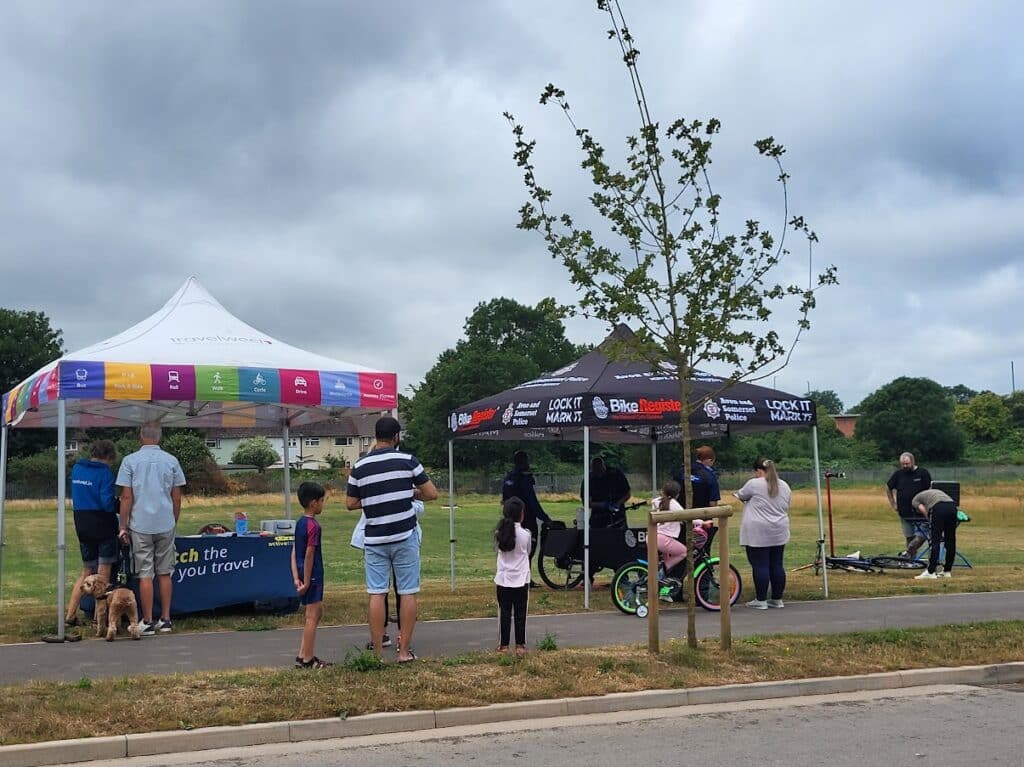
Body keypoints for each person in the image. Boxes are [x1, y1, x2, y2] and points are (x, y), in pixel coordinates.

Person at [347, 416, 438, 662]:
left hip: (375, 538)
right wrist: (409, 492)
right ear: (396, 437)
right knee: (407, 592)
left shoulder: (360, 465)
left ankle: (377, 653)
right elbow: (432, 494)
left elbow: (350, 503)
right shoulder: (408, 461)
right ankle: (405, 652)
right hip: (404, 535)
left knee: (376, 593)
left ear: (376, 436)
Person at [116, 422, 186, 636]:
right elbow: (177, 496)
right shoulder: (172, 460)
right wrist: (173, 519)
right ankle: (165, 619)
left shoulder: (129, 461)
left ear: (140, 437)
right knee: (165, 572)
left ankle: (147, 620)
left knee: (145, 573)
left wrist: (123, 525)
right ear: (160, 438)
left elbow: (126, 496)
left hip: (141, 524)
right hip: (165, 522)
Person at [352, 499, 425, 652]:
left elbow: (420, 506)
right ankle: (380, 636)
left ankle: (403, 638)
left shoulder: (406, 477)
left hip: (403, 536)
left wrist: (400, 505)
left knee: (404, 590)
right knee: (378, 591)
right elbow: (355, 503)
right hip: (377, 537)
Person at [65, 440, 118, 628]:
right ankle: (99, 620)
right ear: (109, 456)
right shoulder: (104, 473)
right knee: (103, 574)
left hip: (82, 523)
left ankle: (70, 614)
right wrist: (118, 504)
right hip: (102, 525)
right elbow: (106, 503)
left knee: (87, 571)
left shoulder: (77, 469)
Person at [735, 457, 792, 610]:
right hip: (779, 529)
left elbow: (741, 495)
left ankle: (761, 600)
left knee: (760, 565)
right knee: (777, 565)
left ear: (759, 471)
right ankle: (777, 599)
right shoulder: (785, 485)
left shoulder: (754, 484)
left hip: (758, 530)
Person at [293, 481, 331, 669]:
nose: (323, 504)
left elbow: (294, 552)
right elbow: (309, 553)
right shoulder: (313, 526)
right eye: (322, 500)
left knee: (316, 612)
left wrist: (296, 577)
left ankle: (303, 654)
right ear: (313, 503)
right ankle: (307, 659)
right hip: (313, 573)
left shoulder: (300, 523)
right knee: (312, 616)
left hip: (302, 572)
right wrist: (307, 581)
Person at [501, 451, 551, 588]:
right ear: (524, 462)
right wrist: (545, 518)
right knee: (529, 548)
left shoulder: (508, 478)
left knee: (511, 547)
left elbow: (504, 499)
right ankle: (525, 578)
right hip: (526, 517)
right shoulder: (524, 478)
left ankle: (515, 577)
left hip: (509, 517)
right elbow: (532, 500)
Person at [494, 496, 531, 657]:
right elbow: (528, 552)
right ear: (522, 514)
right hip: (521, 578)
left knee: (505, 612)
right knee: (521, 612)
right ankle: (520, 645)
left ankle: (503, 645)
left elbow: (497, 551)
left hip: (503, 578)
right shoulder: (526, 534)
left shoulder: (499, 534)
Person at [886, 452, 932, 557]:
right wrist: (893, 504)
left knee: (922, 536)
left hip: (921, 512)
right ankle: (911, 560)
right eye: (902, 464)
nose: (905, 466)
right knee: (909, 537)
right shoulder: (898, 474)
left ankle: (911, 552)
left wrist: (927, 505)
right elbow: (888, 487)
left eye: (907, 464)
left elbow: (930, 489)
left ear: (913, 461)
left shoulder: (923, 473)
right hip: (905, 513)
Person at [910, 487, 958, 580]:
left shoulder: (915, 500)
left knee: (934, 540)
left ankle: (930, 572)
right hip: (952, 507)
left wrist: (931, 520)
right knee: (950, 540)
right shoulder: (933, 492)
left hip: (938, 508)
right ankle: (947, 571)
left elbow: (924, 511)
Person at [580, 457, 632, 528]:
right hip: (598, 518)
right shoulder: (588, 478)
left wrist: (617, 504)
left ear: (603, 466)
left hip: (618, 517)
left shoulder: (616, 474)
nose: (598, 473)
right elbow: (585, 503)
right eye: (595, 471)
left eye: (599, 470)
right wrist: (602, 505)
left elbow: (627, 493)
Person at [673, 445, 721, 510]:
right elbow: (713, 503)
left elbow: (673, 493)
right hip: (702, 516)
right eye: (712, 462)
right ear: (709, 460)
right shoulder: (710, 476)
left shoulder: (681, 471)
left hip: (681, 515)